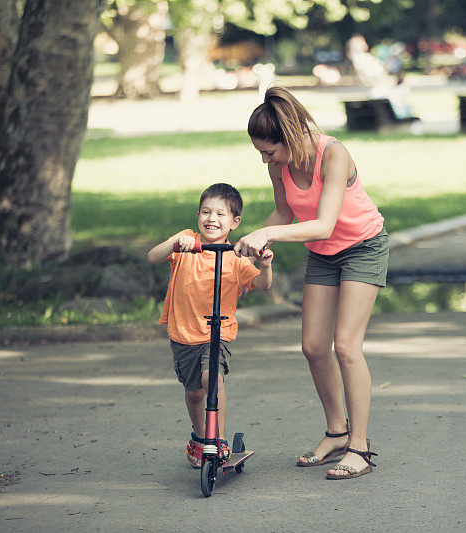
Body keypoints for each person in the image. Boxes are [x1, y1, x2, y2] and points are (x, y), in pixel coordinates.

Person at [235, 86, 388, 480]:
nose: (265, 159)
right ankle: (337, 433)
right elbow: (284, 214)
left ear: (288, 136)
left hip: (362, 247)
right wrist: (249, 244)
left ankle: (360, 447)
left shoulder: (333, 154)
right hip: (323, 252)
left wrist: (265, 236)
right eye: (260, 153)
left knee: (347, 347)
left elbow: (324, 222)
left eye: (269, 151)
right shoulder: (278, 166)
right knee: (313, 347)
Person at [147, 183, 273, 468]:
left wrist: (265, 265)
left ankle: (217, 439)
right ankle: (200, 436)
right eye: (206, 212)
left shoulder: (236, 257)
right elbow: (152, 256)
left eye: (220, 214)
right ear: (198, 215)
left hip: (217, 334)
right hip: (183, 334)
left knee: (211, 379)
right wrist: (176, 243)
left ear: (234, 222)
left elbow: (263, 286)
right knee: (193, 393)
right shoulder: (186, 242)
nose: (211, 219)